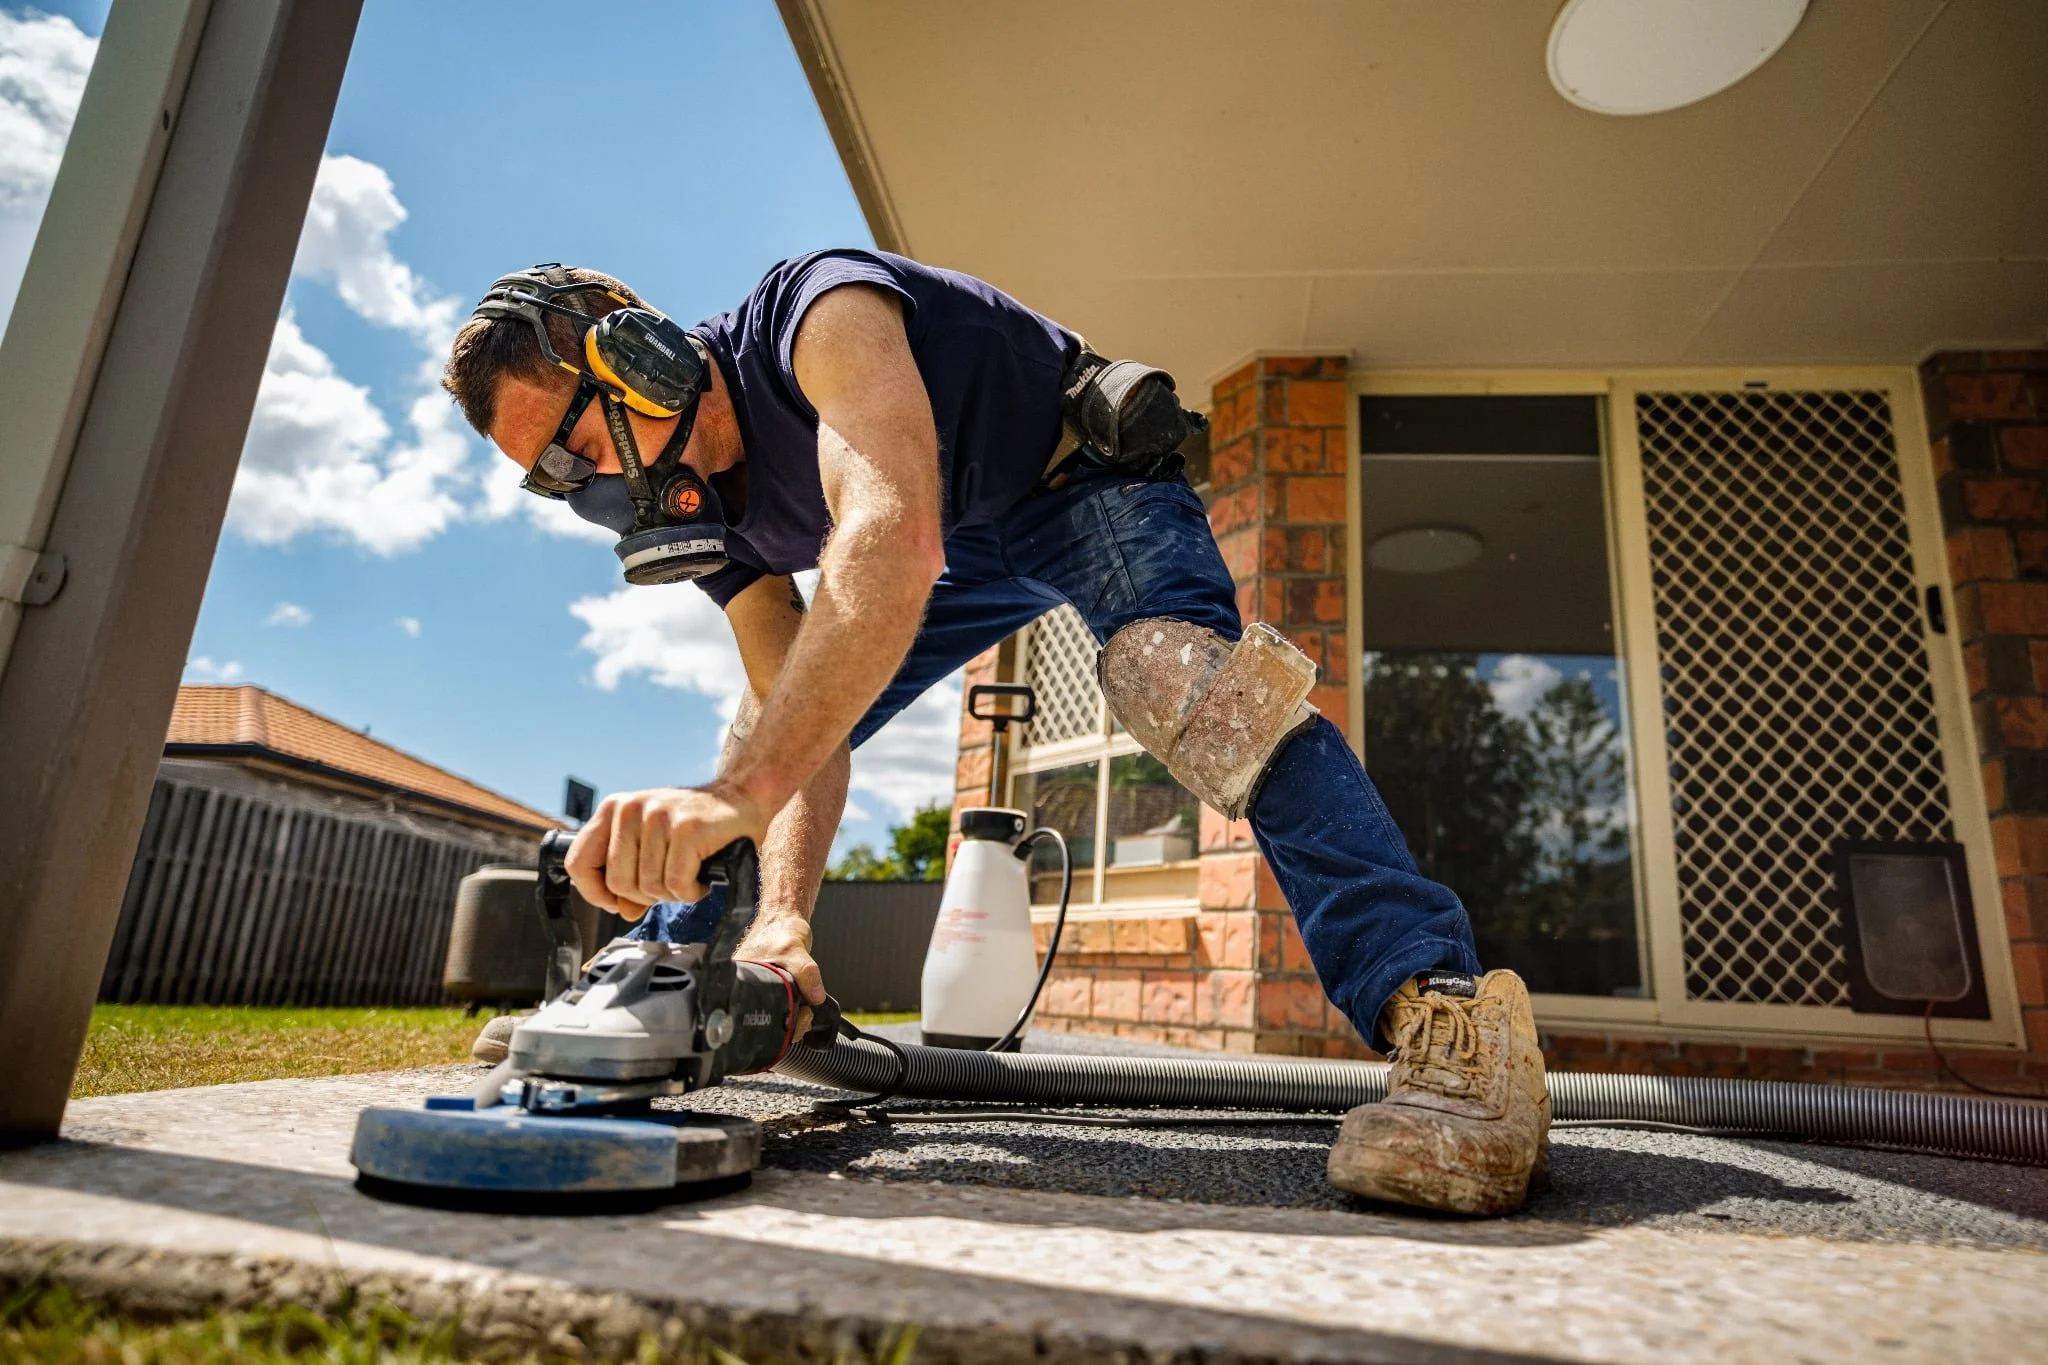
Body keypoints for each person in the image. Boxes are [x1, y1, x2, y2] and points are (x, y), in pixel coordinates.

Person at [441, 251, 1549, 1215]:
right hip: (962, 539)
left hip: (1080, 474)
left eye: (572, 443)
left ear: (635, 353)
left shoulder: (816, 314)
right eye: (551, 480)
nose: (585, 486)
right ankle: (669, 975)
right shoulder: (699, 510)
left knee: (1195, 695)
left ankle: (1444, 1020)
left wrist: (738, 794)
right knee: (766, 722)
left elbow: (890, 530)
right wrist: (780, 917)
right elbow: (793, 729)